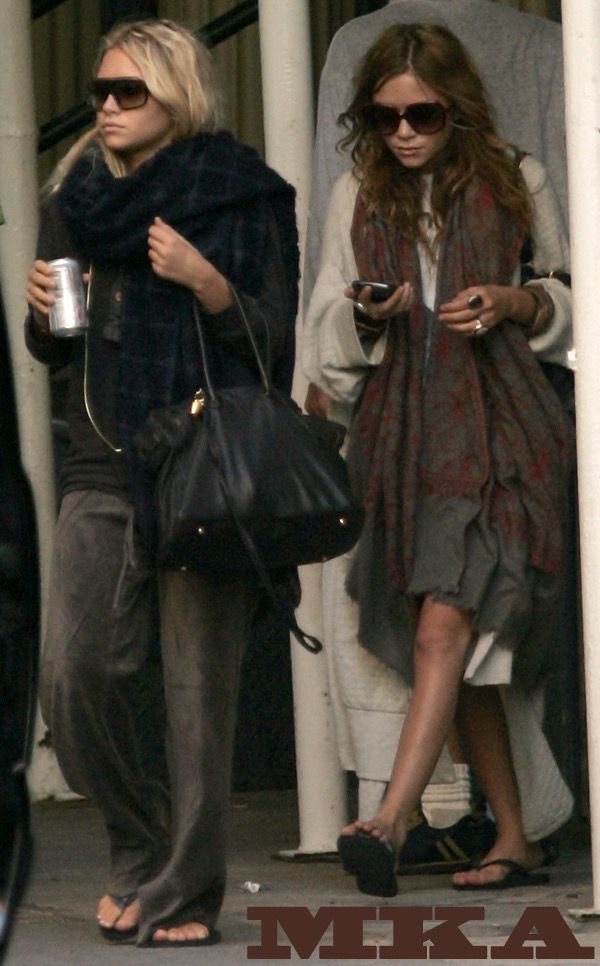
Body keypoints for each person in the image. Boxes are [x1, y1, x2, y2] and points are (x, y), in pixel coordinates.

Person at [25, 19, 298, 947]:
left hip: (206, 460)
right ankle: (139, 845)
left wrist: (207, 283)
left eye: (127, 92)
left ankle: (183, 895)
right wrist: (40, 318)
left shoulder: (241, 194)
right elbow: (59, 348)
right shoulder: (75, 198)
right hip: (104, 458)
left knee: (198, 704)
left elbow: (274, 341)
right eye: (100, 91)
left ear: (176, 94)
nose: (105, 106)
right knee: (73, 673)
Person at [304, 21, 573, 896]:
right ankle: (517, 839)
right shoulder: (358, 194)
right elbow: (326, 334)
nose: (406, 132)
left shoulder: (516, 180)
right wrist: (367, 317)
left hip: (505, 436)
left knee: (443, 627)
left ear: (457, 109)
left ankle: (387, 817)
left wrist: (514, 300)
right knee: (459, 650)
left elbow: (571, 293)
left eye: (424, 113)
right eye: (386, 118)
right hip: (402, 443)